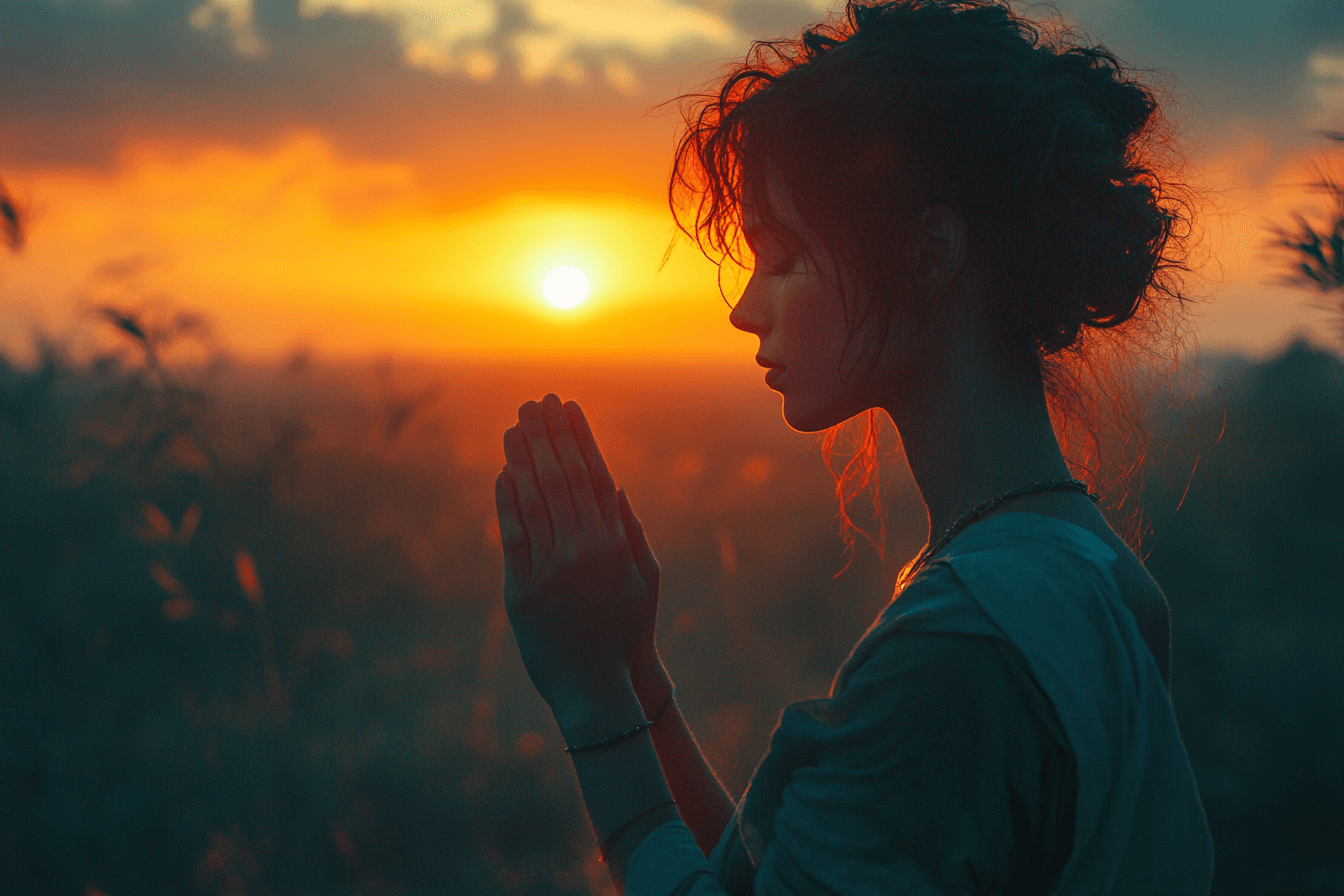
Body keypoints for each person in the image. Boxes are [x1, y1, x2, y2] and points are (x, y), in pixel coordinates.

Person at [493, 1, 1214, 892]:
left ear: (930, 253)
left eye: (785, 257)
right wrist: (638, 671)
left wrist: (589, 698)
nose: (745, 308)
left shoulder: (961, 648)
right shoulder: (1095, 575)